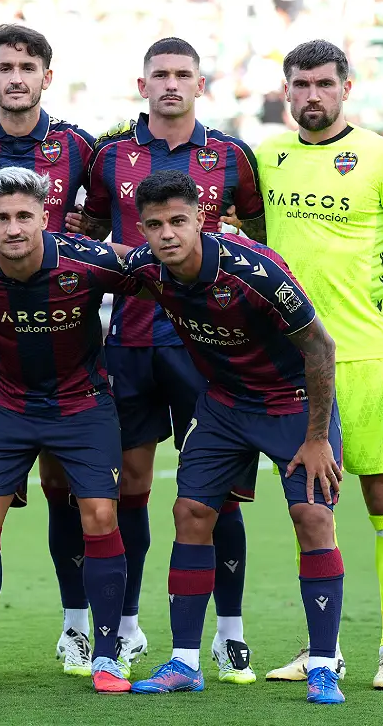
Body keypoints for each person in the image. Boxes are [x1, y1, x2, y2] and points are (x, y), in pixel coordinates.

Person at [252, 40, 383, 689]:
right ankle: (324, 651)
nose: (312, 95)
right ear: (286, 91)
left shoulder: (381, 157)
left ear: (347, 87)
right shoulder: (268, 159)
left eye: (323, 84)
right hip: (290, 364)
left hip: (370, 360)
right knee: (311, 507)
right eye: (300, 84)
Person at [65, 37, 265, 682]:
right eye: (161, 75)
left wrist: (236, 235)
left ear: (200, 85)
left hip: (206, 352)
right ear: (143, 83)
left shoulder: (232, 156)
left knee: (218, 496)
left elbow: (258, 240)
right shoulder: (111, 154)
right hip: (129, 344)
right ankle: (124, 627)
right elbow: (84, 234)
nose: (171, 84)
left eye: (183, 74)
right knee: (130, 488)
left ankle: (228, 634)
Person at [111, 170, 346, 705]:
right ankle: (185, 662)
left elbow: (320, 348)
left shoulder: (255, 272)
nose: (167, 233)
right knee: (191, 514)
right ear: (143, 229)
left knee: (312, 517)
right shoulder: (147, 269)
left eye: (178, 221)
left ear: (201, 220)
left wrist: (315, 438)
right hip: (223, 404)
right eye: (154, 224)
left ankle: (324, 663)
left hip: (291, 403)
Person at [0, 166, 136, 694]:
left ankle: (108, 657)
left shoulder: (86, 261)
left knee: (101, 513)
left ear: (44, 217)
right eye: (1, 218)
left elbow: (155, 274)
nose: (13, 228)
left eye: (24, 216)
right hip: (7, 406)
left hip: (83, 406)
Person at [0, 24, 98, 676]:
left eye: (28, 66)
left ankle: (77, 625)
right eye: (6, 66)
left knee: (66, 487)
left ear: (46, 78)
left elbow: (108, 215)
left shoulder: (79, 146)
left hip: (68, 337)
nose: (16, 76)